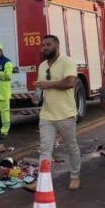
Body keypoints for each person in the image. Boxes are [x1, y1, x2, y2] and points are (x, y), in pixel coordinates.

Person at [26, 35, 82, 191]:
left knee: (71, 147)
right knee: (45, 150)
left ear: (57, 47)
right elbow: (40, 86)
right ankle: (42, 181)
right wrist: (36, 97)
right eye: (43, 45)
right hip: (47, 115)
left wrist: (48, 85)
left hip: (65, 114)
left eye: (48, 45)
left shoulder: (67, 62)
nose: (44, 48)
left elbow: (70, 83)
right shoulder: (42, 66)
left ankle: (75, 176)